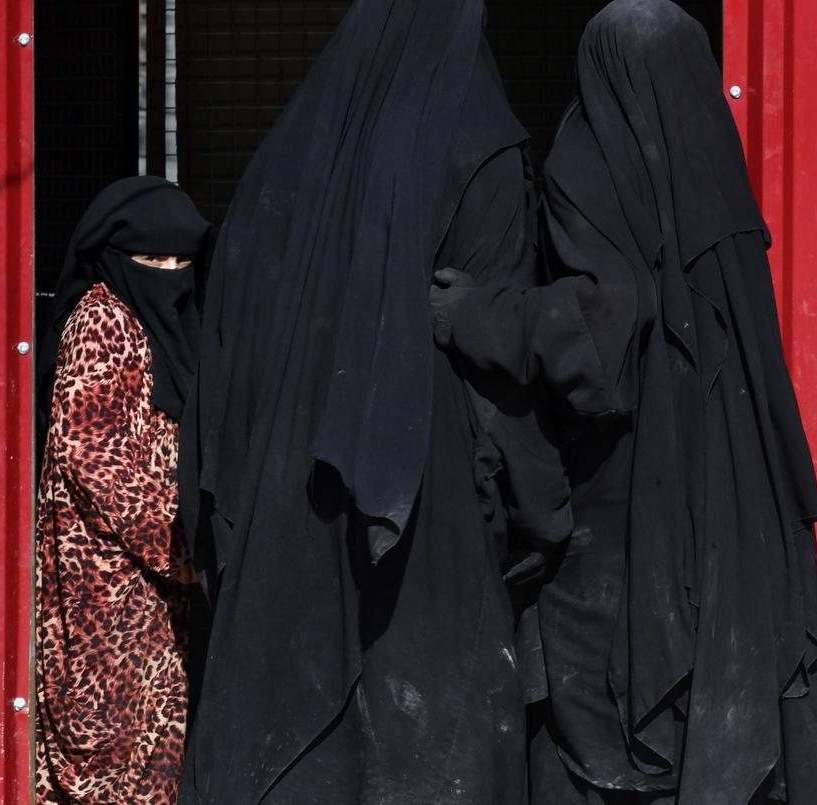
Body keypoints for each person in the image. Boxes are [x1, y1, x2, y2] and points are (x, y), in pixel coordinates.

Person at [429, 1, 817, 802]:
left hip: (623, 513)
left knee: (600, 737)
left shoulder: (589, 160)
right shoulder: (715, 173)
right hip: (725, 502)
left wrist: (474, 314)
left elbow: (602, 328)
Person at [177, 0, 570, 802]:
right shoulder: (481, 146)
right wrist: (544, 519)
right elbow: (502, 382)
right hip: (434, 545)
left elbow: (220, 377)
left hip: (278, 543)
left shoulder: (283, 161)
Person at [33, 176, 210, 804]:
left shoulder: (177, 330)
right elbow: (89, 455)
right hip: (103, 585)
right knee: (105, 748)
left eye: (180, 261)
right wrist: (177, 543)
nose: (169, 274)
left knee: (158, 748)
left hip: (159, 589)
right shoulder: (102, 321)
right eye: (152, 261)